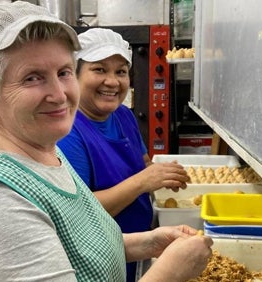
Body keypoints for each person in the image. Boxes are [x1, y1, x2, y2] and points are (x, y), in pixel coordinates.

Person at [0, 2, 213, 282]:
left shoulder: (48, 153)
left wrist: (148, 243)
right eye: (32, 77)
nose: (59, 94)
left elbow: (77, 247)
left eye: (63, 72)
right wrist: (170, 272)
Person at [56, 27, 191, 281]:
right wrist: (143, 182)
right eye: (99, 69)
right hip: (103, 260)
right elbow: (77, 213)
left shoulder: (122, 116)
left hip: (141, 244)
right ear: (73, 75)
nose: (112, 81)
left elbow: (142, 162)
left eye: (121, 71)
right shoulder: (68, 133)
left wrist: (162, 177)